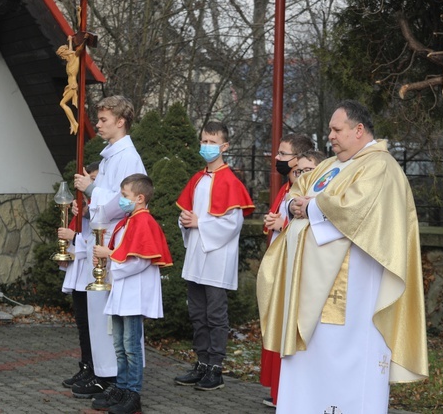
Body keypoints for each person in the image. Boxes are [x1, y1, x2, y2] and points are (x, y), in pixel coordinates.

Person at [257, 100, 429, 413]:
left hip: (353, 290)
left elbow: (355, 211)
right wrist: (294, 205)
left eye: (337, 130)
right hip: (311, 285)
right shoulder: (333, 165)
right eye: (331, 131)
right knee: (311, 357)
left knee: (347, 357)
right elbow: (299, 189)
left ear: (358, 130)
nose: (331, 137)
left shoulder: (379, 166)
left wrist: (309, 208)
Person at [71, 95, 146, 399]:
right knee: (101, 314)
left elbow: (122, 200)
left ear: (121, 121)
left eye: (103, 120)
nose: (98, 124)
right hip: (102, 238)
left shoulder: (128, 157)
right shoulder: (110, 156)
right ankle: (104, 373)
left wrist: (90, 191)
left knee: (113, 318)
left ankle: (118, 378)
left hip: (115, 240)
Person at [174, 121, 255, 391]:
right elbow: (188, 213)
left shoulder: (231, 181)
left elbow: (233, 224)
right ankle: (201, 362)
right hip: (196, 253)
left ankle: (216, 368)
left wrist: (200, 223)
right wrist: (184, 220)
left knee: (215, 315)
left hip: (218, 257)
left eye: (212, 142)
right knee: (197, 313)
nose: (206, 146)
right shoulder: (197, 179)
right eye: (204, 141)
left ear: (225, 146)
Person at [90, 174, 172, 414]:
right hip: (122, 291)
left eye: (124, 196)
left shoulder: (144, 222)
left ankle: (133, 393)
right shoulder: (128, 221)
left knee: (131, 346)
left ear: (139, 198)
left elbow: (140, 261)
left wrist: (110, 256)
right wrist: (107, 256)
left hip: (134, 293)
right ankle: (121, 387)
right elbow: (123, 251)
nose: (122, 200)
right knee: (119, 344)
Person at [259, 134, 314, 408]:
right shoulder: (286, 189)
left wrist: (284, 225)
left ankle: (288, 394)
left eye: (283, 154)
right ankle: (278, 390)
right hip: (281, 264)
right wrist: (273, 222)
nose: (277, 159)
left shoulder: (310, 194)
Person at [58, 161, 99, 388]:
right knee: (83, 323)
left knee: (93, 325)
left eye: (94, 179)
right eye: (88, 178)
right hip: (80, 273)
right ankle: (85, 366)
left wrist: (73, 237)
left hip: (93, 273)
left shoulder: (103, 207)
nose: (90, 182)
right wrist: (80, 214)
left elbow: (95, 240)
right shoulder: (85, 205)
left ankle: (95, 369)